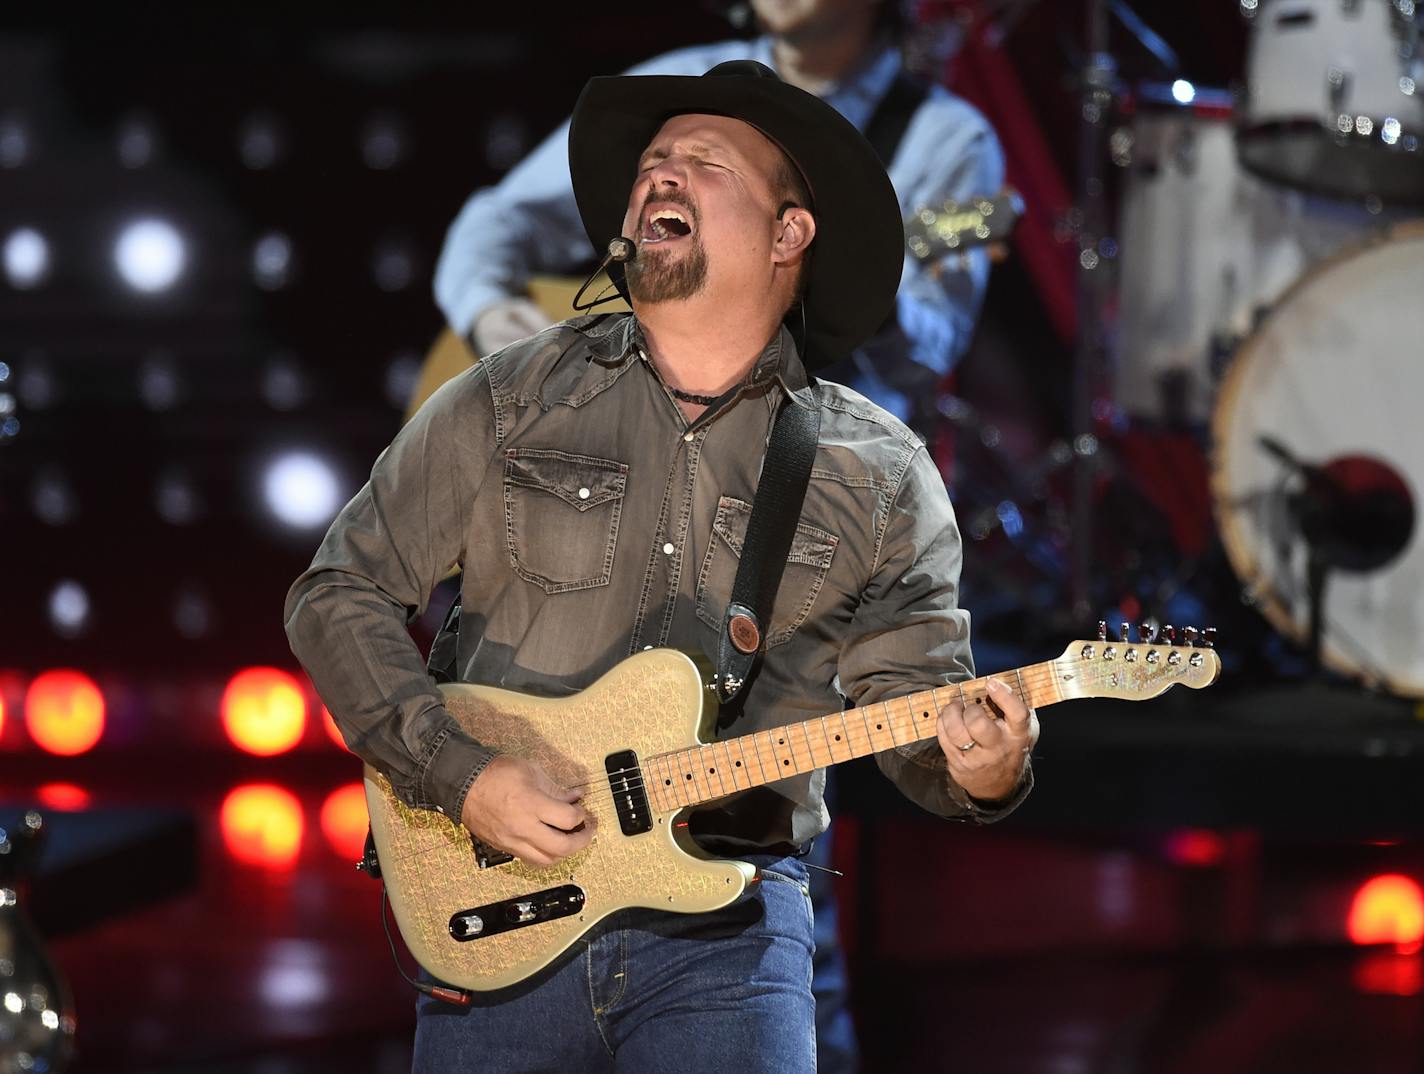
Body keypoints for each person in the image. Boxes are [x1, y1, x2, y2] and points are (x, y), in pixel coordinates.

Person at [286, 61, 1036, 1072]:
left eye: (703, 163)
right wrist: (460, 775)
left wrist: (982, 767)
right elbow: (337, 592)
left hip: (732, 934)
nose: (659, 178)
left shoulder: (879, 473)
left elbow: (915, 707)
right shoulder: (509, 398)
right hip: (504, 910)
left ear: (787, 235)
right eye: (650, 164)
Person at [432, 0, 1005, 433]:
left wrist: (876, 297)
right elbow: (497, 219)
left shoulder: (948, 139)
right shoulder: (678, 87)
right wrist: (493, 318)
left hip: (818, 479)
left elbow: (930, 353)